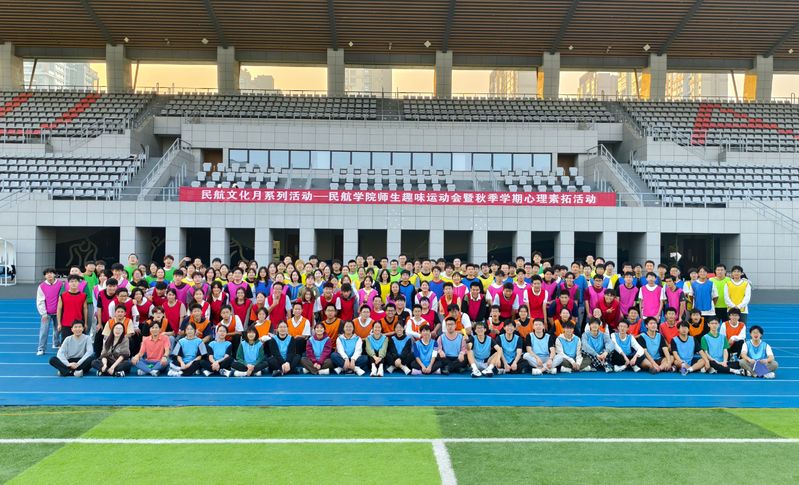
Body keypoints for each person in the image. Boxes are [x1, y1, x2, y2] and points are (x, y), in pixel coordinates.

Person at [37, 268, 64, 354]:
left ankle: (56, 343)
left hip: (58, 312)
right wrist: (43, 313)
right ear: (45, 276)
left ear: (55, 274)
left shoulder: (61, 284)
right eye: (47, 274)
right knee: (44, 331)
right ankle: (41, 348)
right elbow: (40, 301)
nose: (49, 275)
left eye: (51, 273)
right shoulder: (41, 286)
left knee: (58, 329)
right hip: (47, 313)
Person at [56, 274, 88, 346]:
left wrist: (85, 323)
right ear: (68, 283)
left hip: (79, 324)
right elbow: (59, 309)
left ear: (79, 283)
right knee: (65, 344)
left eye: (76, 281)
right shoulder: (63, 295)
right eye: (71, 281)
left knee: (80, 344)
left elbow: (85, 309)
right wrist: (59, 323)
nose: (74, 283)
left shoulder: (83, 295)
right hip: (66, 323)